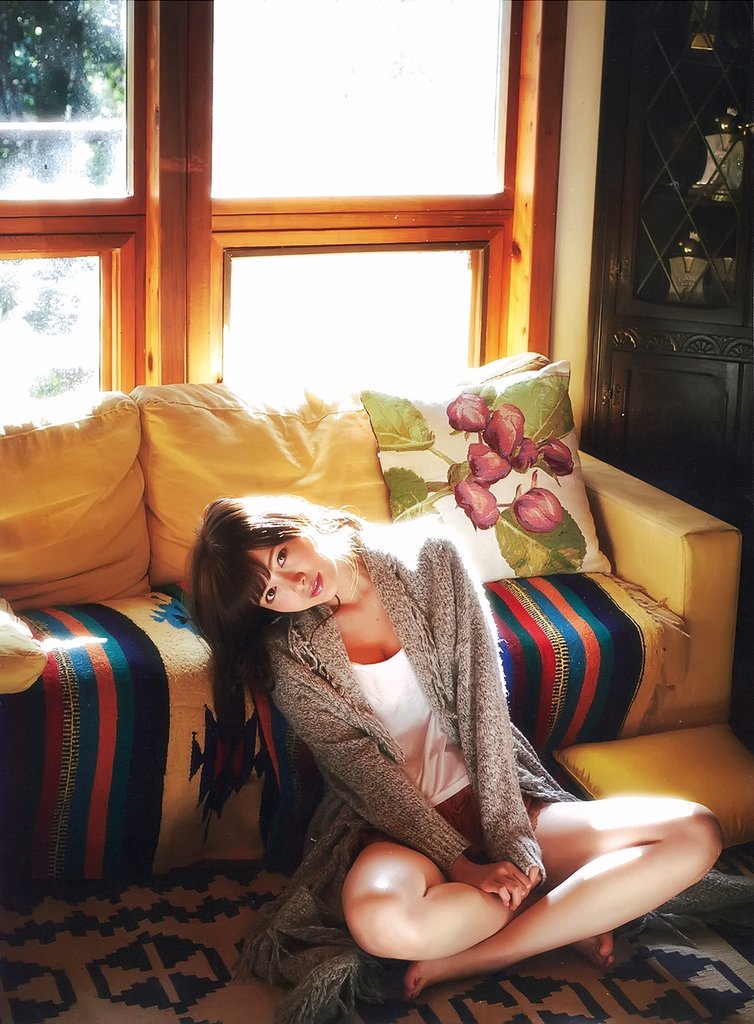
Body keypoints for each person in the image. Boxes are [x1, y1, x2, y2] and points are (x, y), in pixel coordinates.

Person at [188, 494, 723, 1023]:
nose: (294, 585)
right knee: (383, 923)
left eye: (282, 556)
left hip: (502, 797)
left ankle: (488, 952)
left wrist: (512, 842)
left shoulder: (432, 558)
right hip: (396, 830)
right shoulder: (289, 655)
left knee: (694, 832)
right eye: (271, 593)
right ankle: (563, 911)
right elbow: (369, 780)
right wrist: (461, 863)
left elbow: (485, 708)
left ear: (298, 523)